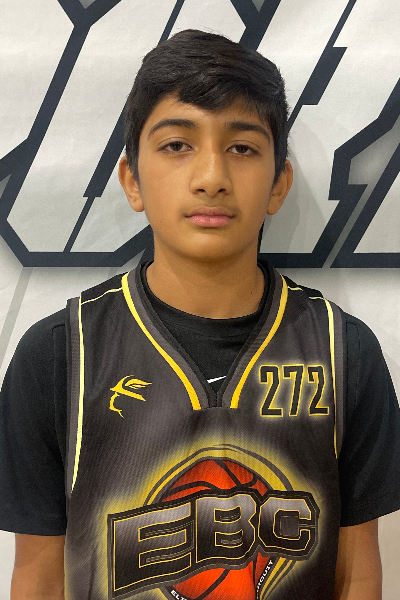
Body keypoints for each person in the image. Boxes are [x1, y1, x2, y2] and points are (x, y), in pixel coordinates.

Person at [1, 29, 400, 600]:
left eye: (242, 148)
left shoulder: (344, 351)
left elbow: (356, 574)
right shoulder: (59, 354)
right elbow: (39, 577)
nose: (212, 176)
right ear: (132, 180)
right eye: (176, 145)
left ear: (279, 184)